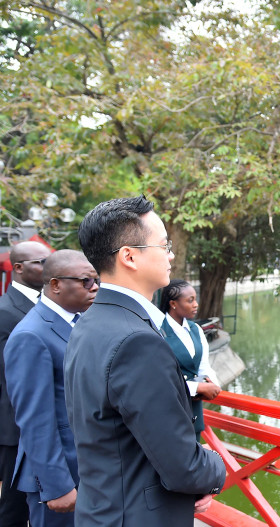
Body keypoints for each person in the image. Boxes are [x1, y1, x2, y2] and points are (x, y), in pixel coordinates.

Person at [63, 196, 226, 527]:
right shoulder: (137, 341)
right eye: (164, 245)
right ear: (129, 256)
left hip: (102, 509)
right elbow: (183, 465)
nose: (171, 255)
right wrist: (216, 468)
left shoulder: (90, 323)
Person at [4, 250, 98, 527]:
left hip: (89, 469)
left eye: (96, 281)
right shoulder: (31, 335)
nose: (94, 288)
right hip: (60, 478)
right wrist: (57, 485)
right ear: (56, 284)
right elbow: (35, 420)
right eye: (85, 281)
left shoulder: (78, 322)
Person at [0, 240, 50, 527]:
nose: (47, 267)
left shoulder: (45, 305)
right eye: (39, 262)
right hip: (14, 428)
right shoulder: (6, 312)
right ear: (18, 268)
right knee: (13, 507)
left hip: (41, 423)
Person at [158, 279, 222, 440]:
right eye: (190, 300)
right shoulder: (158, 332)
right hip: (169, 413)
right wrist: (197, 388)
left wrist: (213, 383)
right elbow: (160, 379)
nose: (196, 304)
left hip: (194, 411)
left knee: (195, 453)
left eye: (195, 299)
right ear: (173, 303)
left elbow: (203, 366)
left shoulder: (196, 330)